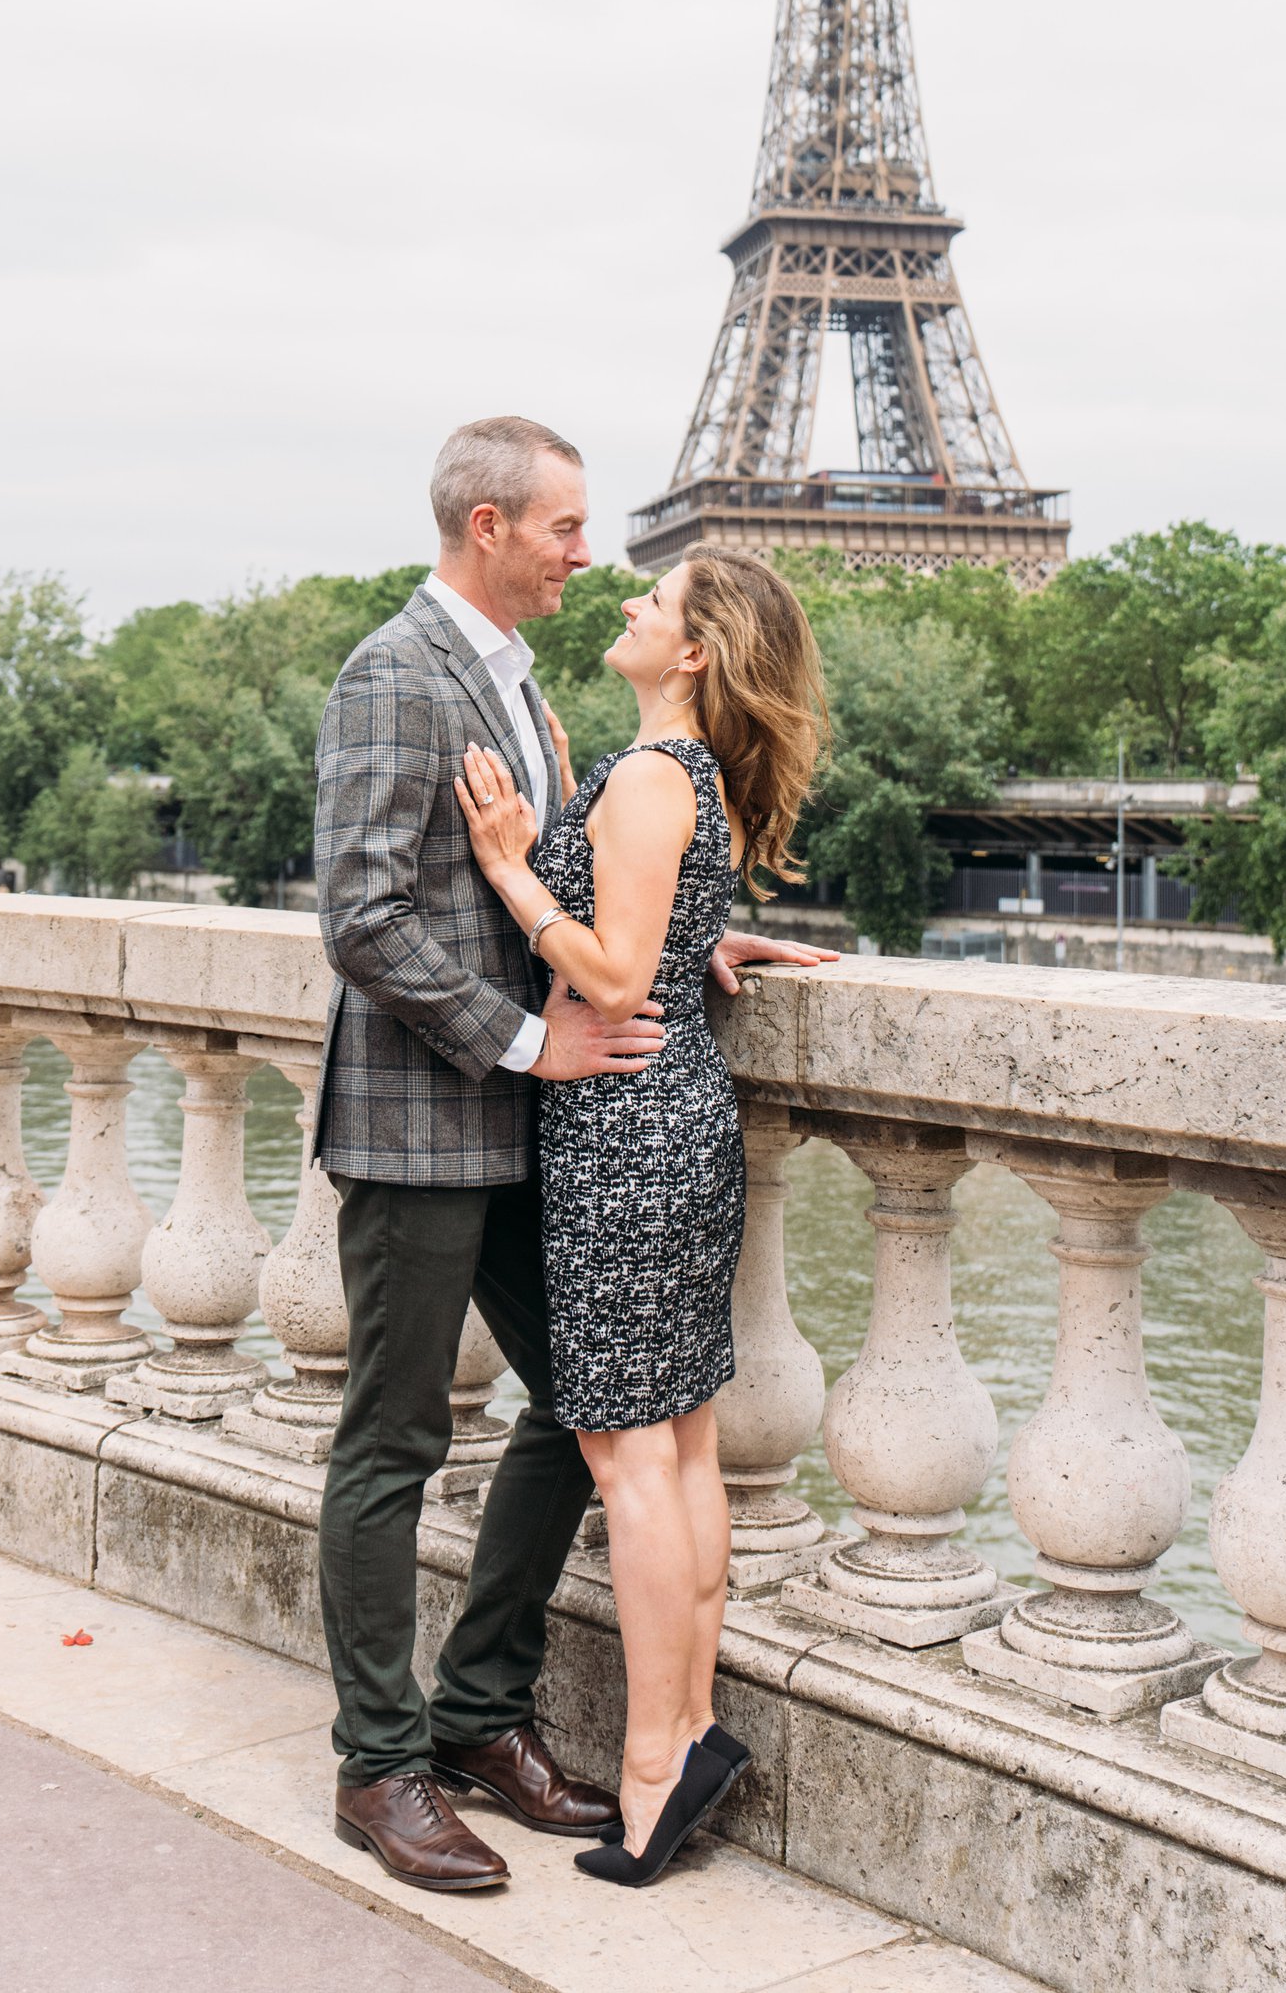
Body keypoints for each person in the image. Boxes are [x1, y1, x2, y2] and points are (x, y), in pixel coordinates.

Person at [313, 416, 832, 1895]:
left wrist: (685, 939)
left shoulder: (531, 690)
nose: (589, 556)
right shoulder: (392, 675)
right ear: (488, 526)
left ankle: (481, 1713)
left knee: (580, 1408)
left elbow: (594, 882)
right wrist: (535, 1040)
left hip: (563, 1129)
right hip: (433, 1120)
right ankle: (379, 1764)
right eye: (565, 529)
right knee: (395, 1441)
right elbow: (362, 917)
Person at [454, 542, 827, 1886]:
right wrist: (691, 931)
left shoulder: (656, 777)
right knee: (683, 1450)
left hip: (621, 1132)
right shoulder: (685, 774)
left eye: (655, 601)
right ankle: (691, 1729)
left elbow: (613, 978)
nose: (627, 599)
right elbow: (654, 929)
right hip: (679, 1122)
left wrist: (512, 866)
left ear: (697, 652)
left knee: (629, 1463)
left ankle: (657, 1765)